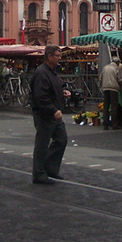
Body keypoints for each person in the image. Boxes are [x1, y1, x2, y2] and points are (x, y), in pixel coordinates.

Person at [30, 45, 71, 184]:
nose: (60, 58)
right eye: (57, 56)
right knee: (42, 144)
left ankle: (50, 168)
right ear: (49, 56)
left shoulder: (52, 72)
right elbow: (40, 96)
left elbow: (54, 87)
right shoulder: (41, 72)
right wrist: (53, 110)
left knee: (61, 139)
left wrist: (63, 91)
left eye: (60, 55)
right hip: (45, 114)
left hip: (54, 113)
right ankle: (39, 173)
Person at [100, 56, 122, 130]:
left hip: (105, 88)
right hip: (114, 88)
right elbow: (121, 79)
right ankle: (114, 124)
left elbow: (100, 77)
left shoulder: (105, 67)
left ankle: (105, 124)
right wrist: (121, 87)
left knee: (106, 106)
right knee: (114, 106)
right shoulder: (117, 68)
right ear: (117, 62)